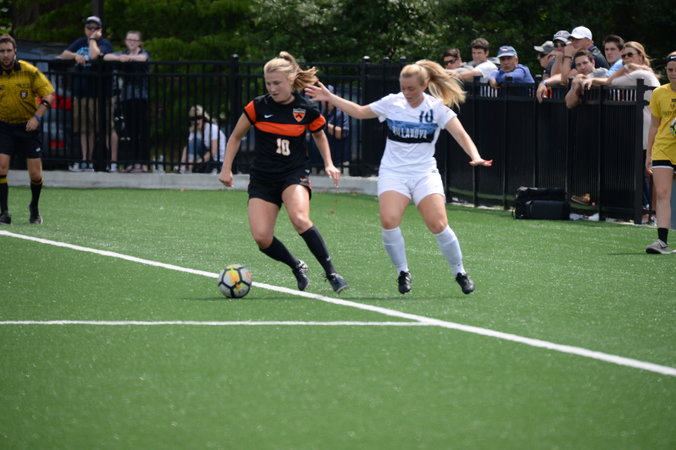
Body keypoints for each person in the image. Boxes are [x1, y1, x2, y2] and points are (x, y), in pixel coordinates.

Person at [306, 60, 492, 295]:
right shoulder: (392, 102)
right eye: (403, 88)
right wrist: (330, 98)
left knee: (438, 224)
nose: (406, 92)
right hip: (393, 173)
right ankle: (403, 272)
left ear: (424, 85)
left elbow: (461, 135)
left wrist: (475, 156)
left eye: (411, 88)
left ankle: (460, 272)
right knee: (389, 220)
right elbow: (360, 112)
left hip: (424, 173)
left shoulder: (436, 108)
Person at [218, 51, 348, 293]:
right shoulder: (257, 106)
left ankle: (332, 273)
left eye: (277, 83)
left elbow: (319, 135)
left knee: (300, 219)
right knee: (262, 238)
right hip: (263, 178)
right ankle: (296, 266)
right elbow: (235, 136)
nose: (272, 88)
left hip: (292, 174)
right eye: (268, 83)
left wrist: (329, 163)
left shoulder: (305, 108)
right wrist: (226, 168)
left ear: (290, 80)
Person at [0, 34, 55, 225]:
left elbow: (48, 95)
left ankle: (34, 207)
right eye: (1, 51)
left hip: (27, 128)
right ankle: (4, 212)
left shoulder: (29, 71)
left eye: (8, 51)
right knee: (1, 167)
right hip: (4, 127)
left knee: (36, 174)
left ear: (15, 51)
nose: (5, 55)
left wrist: (36, 117)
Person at [59, 16, 118, 172]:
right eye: (89, 28)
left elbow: (94, 56)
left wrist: (92, 40)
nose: (91, 30)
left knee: (107, 129)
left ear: (100, 30)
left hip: (101, 95)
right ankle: (86, 161)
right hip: (81, 93)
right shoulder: (79, 42)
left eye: (95, 28)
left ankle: (113, 162)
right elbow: (63, 54)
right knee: (85, 129)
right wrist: (75, 56)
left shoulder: (105, 43)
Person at [103, 30, 151, 173]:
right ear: (125, 41)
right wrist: (120, 58)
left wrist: (128, 58)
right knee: (131, 131)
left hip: (141, 97)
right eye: (129, 39)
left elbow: (143, 58)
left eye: (134, 40)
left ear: (139, 42)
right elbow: (106, 57)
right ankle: (132, 162)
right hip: (126, 97)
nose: (131, 42)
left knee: (142, 131)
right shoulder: (123, 53)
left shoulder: (143, 53)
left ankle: (143, 163)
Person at [644, 52, 676, 254]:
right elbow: (654, 125)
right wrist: (649, 154)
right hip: (663, 148)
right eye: (670, 70)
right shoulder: (659, 93)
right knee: (663, 194)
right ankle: (662, 241)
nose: (674, 73)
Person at [309, 84, 350, 171]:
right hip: (319, 163)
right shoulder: (322, 113)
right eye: (323, 98)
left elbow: (342, 133)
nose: (325, 101)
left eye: (328, 97)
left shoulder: (341, 113)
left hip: (338, 163)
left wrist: (324, 125)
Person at [180, 105, 226, 173]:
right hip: (206, 158)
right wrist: (183, 164)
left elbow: (213, 151)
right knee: (193, 142)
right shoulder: (194, 130)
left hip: (218, 160)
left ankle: (190, 169)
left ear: (204, 118)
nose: (196, 121)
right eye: (193, 119)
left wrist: (199, 162)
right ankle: (184, 168)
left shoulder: (212, 128)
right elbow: (188, 147)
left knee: (195, 141)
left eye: (199, 118)